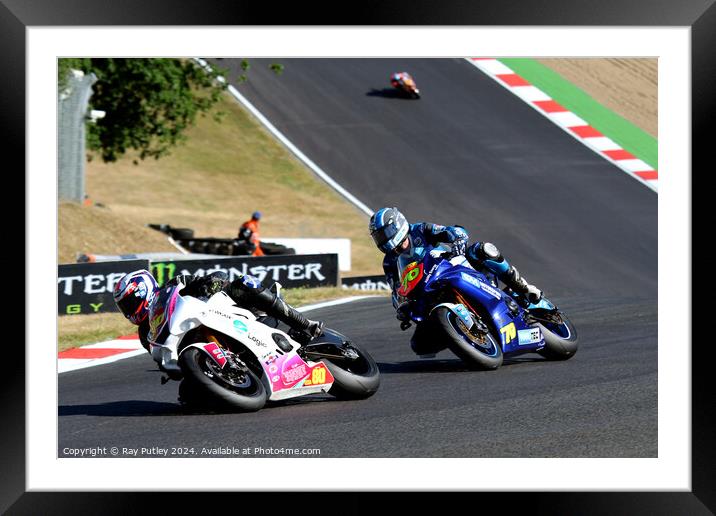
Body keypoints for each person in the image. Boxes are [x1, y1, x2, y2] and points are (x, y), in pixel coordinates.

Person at [368, 207, 542, 353]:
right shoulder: (389, 262)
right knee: (419, 345)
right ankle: (459, 335)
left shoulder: (420, 230)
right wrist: (401, 307)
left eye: (385, 234)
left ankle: (523, 287)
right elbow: (396, 289)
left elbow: (452, 231)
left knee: (483, 249)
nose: (383, 240)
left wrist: (457, 238)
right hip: (428, 292)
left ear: (397, 225)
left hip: (453, 267)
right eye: (379, 237)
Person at [112, 269, 324, 353]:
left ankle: (305, 324)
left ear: (143, 291)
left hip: (223, 313)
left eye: (130, 303)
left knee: (244, 283)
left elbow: (214, 276)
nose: (129, 311)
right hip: (197, 347)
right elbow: (159, 354)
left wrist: (209, 285)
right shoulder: (144, 333)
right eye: (125, 307)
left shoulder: (172, 286)